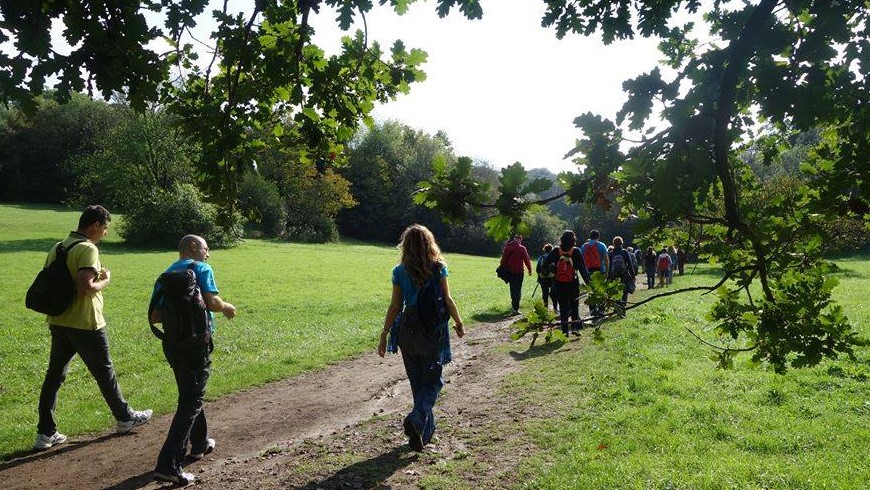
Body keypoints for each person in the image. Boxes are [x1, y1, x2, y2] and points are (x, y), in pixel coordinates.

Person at [34, 205, 152, 451]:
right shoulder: (87, 248)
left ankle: (45, 433)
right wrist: (106, 280)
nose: (105, 233)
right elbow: (85, 288)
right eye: (105, 228)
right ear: (96, 225)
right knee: (104, 372)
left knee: (54, 376)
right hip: (86, 322)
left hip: (59, 320)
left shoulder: (59, 246)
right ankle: (125, 417)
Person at [151, 235, 237, 485]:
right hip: (196, 345)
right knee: (191, 401)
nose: (208, 254)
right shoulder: (201, 268)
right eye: (206, 249)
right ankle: (169, 465)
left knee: (189, 394)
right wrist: (227, 306)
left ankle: (199, 443)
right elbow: (212, 302)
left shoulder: (165, 274)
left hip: (172, 344)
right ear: (192, 247)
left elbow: (156, 316)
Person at [378, 224, 464, 452]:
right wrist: (458, 321)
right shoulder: (439, 268)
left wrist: (384, 334)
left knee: (418, 383)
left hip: (407, 329)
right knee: (433, 381)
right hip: (431, 331)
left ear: (405, 246)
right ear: (430, 243)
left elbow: (395, 306)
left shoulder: (399, 271)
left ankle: (422, 434)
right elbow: (447, 300)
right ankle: (417, 422)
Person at [543, 230, 591, 334]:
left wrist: (552, 271)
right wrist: (588, 283)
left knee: (563, 307)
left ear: (562, 239)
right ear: (574, 240)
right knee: (574, 306)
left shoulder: (556, 250)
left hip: (559, 283)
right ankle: (575, 329)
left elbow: (545, 265)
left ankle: (565, 331)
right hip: (573, 283)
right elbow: (582, 269)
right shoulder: (576, 251)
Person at [499, 234, 532, 314]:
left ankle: (514, 306)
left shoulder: (507, 247)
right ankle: (516, 308)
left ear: (514, 239)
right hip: (519, 272)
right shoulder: (522, 248)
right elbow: (526, 259)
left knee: (512, 288)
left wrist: (502, 267)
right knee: (518, 289)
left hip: (510, 272)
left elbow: (503, 260)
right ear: (520, 240)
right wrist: (530, 270)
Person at [579, 230, 609, 315]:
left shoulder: (583, 247)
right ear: (598, 237)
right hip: (600, 271)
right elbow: (606, 259)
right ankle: (601, 310)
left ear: (590, 236)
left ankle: (592, 311)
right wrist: (607, 271)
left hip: (589, 272)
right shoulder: (601, 245)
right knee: (601, 291)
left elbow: (581, 261)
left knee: (591, 291)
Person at [608, 237, 636, 308]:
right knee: (624, 290)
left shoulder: (611, 253)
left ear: (613, 243)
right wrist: (632, 275)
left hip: (614, 275)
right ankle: (623, 305)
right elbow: (630, 264)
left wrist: (608, 277)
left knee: (615, 291)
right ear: (622, 243)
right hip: (624, 274)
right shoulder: (624, 252)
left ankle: (617, 306)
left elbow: (609, 266)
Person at [536, 243, 557, 313]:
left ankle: (545, 308)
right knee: (554, 293)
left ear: (544, 250)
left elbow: (537, 269)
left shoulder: (541, 258)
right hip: (552, 278)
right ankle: (555, 308)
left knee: (545, 294)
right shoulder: (554, 258)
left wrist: (540, 276)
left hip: (543, 279)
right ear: (551, 250)